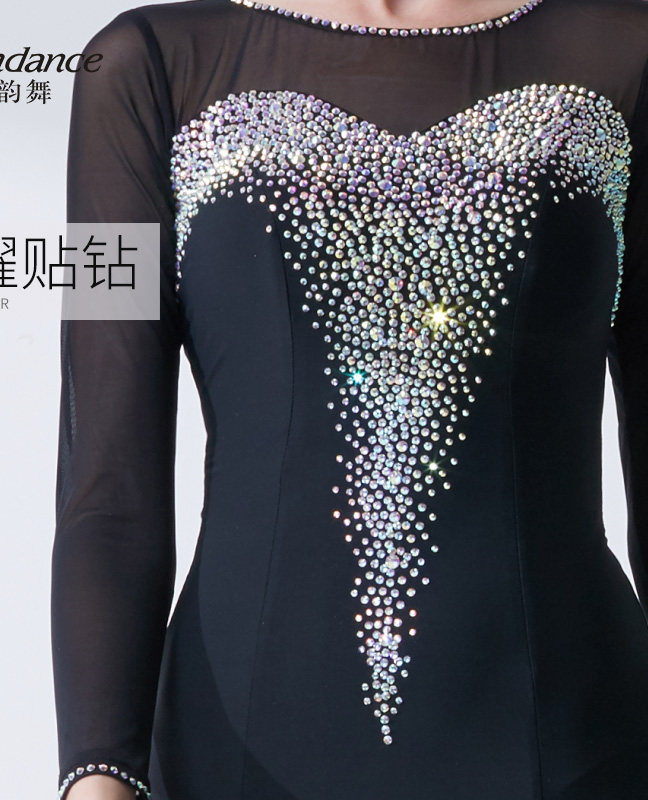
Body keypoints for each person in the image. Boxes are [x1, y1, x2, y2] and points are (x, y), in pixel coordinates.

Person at [51, 0, 648, 797]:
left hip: (571, 742)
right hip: (238, 749)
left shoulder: (627, 53)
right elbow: (104, 489)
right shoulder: (133, 67)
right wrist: (97, 775)